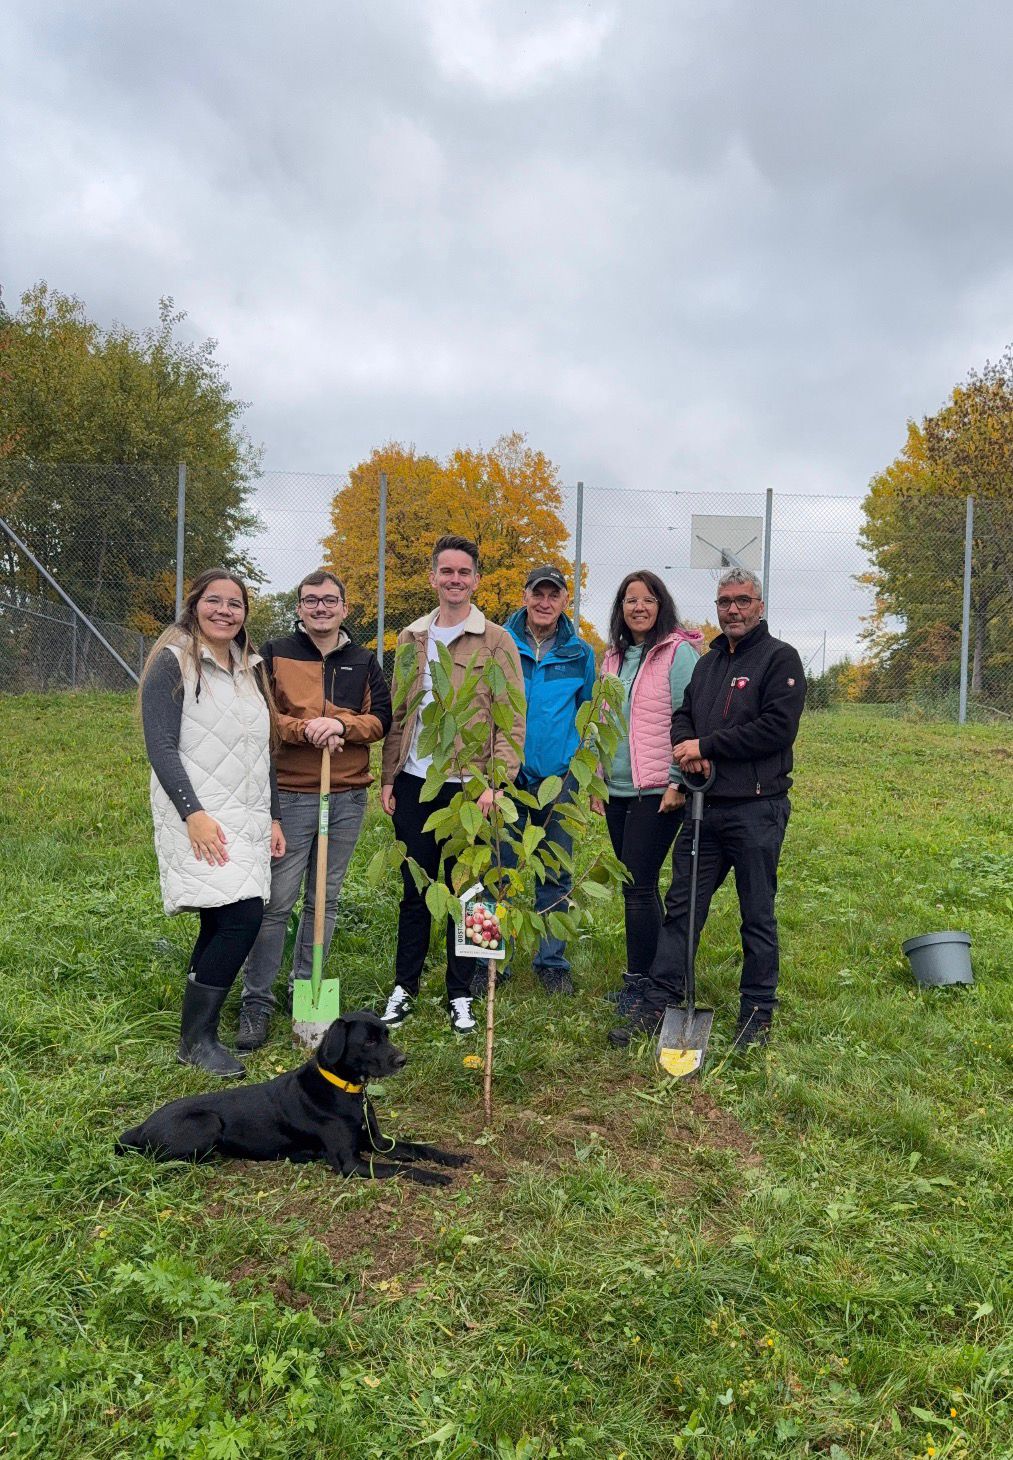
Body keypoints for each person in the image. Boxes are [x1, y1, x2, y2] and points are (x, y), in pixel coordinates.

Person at [609, 566, 807, 1049]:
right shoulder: (709, 663)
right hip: (705, 809)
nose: (733, 610)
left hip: (757, 809)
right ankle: (660, 998)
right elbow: (683, 715)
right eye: (724, 602)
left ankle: (756, 1013)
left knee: (756, 912)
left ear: (759, 605)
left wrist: (706, 746)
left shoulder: (780, 659)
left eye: (742, 601)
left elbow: (775, 730)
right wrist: (685, 744)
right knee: (682, 908)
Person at [139, 568, 286, 1079]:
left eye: (236, 603)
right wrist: (193, 814)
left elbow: (260, 746)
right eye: (214, 601)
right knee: (243, 916)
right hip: (199, 810)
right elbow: (160, 744)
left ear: (246, 613)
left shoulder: (251, 667)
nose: (225, 611)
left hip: (246, 813)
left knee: (222, 917)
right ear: (194, 604)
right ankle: (198, 1039)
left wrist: (271, 817)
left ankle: (195, 1032)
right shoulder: (172, 662)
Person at [236, 569, 392, 1050]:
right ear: (299, 607)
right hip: (292, 791)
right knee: (277, 902)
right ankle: (255, 1002)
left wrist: (339, 727)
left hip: (345, 794)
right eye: (310, 601)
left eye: (329, 600)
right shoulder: (275, 653)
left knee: (325, 898)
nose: (320, 608)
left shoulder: (364, 660)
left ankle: (306, 989)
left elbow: (381, 718)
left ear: (345, 607)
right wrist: (308, 730)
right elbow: (264, 714)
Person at [379, 534, 525, 1035]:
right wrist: (389, 775)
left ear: (476, 580)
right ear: (433, 577)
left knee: (474, 892)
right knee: (415, 889)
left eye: (464, 572)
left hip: (473, 789)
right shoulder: (410, 638)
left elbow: (511, 718)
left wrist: (497, 783)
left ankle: (464, 992)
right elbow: (400, 712)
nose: (455, 580)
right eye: (447, 571)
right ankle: (405, 986)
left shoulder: (498, 640)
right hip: (418, 783)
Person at [592, 571, 703, 1013]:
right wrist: (597, 780)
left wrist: (678, 780)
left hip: (657, 789)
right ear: (621, 608)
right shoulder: (614, 658)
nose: (639, 607)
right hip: (617, 789)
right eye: (630, 600)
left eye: (648, 599)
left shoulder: (677, 654)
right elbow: (601, 721)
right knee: (634, 885)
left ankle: (642, 982)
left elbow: (687, 715)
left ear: (662, 605)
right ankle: (650, 974)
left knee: (638, 884)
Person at [495, 566, 596, 996]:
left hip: (559, 779)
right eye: (538, 593)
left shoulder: (579, 653)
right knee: (495, 869)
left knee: (555, 870)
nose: (544, 602)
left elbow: (590, 711)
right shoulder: (500, 643)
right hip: (505, 778)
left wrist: (584, 771)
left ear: (564, 602)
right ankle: (488, 961)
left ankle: (551, 961)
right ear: (525, 595)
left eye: (554, 595)